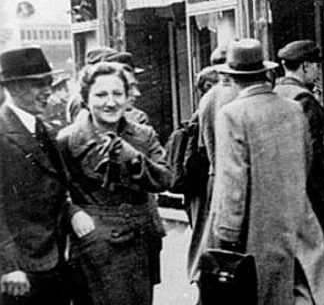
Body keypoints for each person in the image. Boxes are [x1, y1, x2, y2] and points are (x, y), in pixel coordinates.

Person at [208, 38, 324, 305]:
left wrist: (226, 237)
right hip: (299, 223)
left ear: (234, 78)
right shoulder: (294, 109)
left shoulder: (231, 114)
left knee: (263, 295)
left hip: (257, 230)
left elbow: (233, 185)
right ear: (265, 72)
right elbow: (307, 164)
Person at [56, 62, 172, 305]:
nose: (111, 102)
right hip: (93, 244)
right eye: (100, 94)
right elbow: (54, 192)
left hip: (138, 242)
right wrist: (73, 213)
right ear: (86, 98)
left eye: (118, 94)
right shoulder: (67, 140)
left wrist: (131, 156)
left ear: (128, 97)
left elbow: (164, 179)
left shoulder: (144, 135)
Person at [0, 46, 84, 305]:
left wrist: (73, 212)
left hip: (53, 261)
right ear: (13, 88)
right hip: (20, 273)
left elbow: (55, 189)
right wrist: (8, 266)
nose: (48, 90)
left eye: (48, 82)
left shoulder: (43, 129)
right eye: (38, 84)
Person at [276, 40, 324, 303]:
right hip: (311, 197)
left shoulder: (274, 94)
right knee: (321, 257)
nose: (317, 71)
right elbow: (312, 154)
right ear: (304, 66)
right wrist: (322, 194)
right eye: (315, 66)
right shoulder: (306, 101)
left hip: (282, 194)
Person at [187, 45, 237, 283]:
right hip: (231, 178)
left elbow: (201, 146)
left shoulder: (207, 98)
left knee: (210, 238)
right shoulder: (234, 95)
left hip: (213, 175)